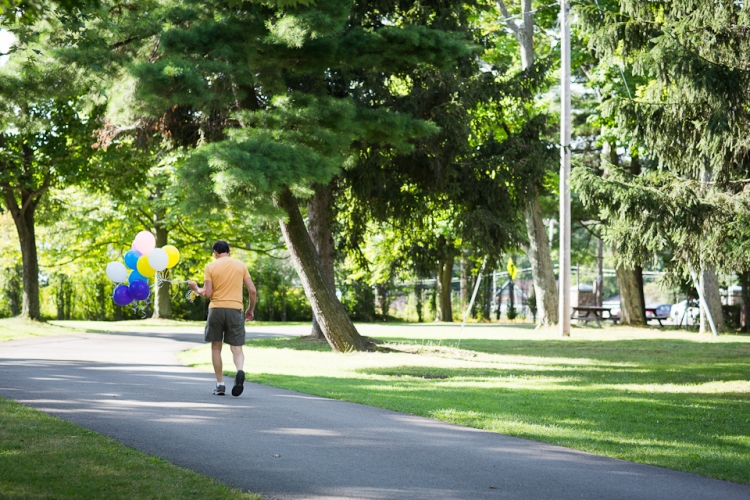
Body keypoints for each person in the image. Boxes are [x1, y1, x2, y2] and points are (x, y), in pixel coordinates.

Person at [188, 241, 257, 397]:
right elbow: (252, 290)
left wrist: (195, 289)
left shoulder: (210, 267)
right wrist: (250, 309)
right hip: (236, 310)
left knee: (216, 347)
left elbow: (207, 293)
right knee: (236, 348)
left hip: (216, 310)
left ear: (215, 252)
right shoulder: (241, 265)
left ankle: (220, 385)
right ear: (229, 251)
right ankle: (239, 371)